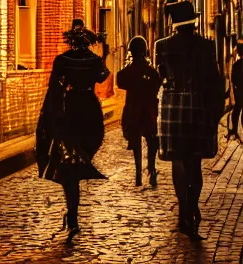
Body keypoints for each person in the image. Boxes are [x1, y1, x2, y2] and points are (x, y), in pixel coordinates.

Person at [155, 1, 224, 241]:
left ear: (174, 23)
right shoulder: (206, 46)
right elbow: (215, 81)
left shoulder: (161, 46)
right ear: (193, 22)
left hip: (172, 109)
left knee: (178, 162)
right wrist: (216, 112)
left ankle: (183, 210)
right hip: (198, 107)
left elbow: (161, 77)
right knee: (194, 163)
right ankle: (192, 206)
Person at [36, 19, 109, 242]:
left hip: (70, 111)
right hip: (90, 111)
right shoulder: (95, 61)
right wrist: (103, 52)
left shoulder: (62, 61)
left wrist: (50, 118)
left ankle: (73, 216)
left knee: (70, 168)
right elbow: (103, 76)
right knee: (78, 163)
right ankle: (73, 216)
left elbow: (54, 89)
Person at [117, 36, 161, 187]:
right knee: (152, 140)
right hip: (148, 110)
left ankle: (138, 173)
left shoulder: (128, 71)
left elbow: (120, 81)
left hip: (133, 109)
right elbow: (157, 82)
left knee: (135, 142)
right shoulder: (151, 72)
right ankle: (152, 168)